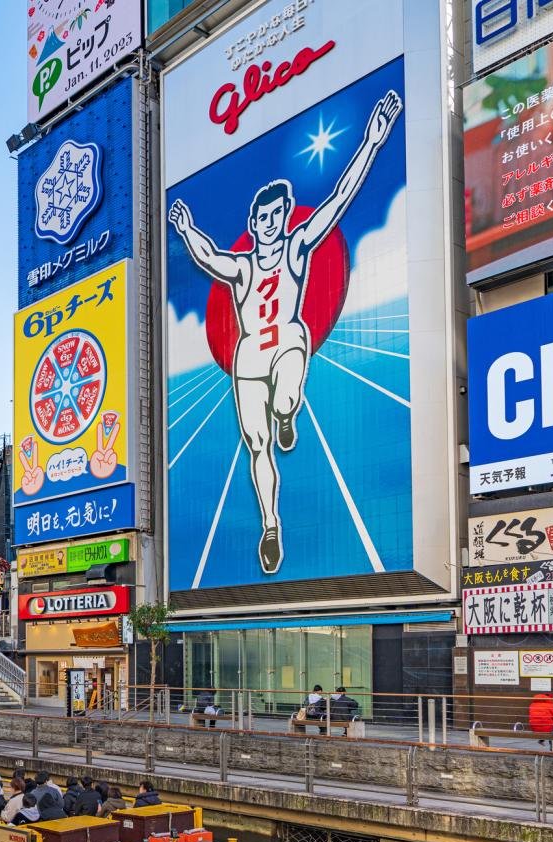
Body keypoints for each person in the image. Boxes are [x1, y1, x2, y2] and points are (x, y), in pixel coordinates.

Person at [168, 89, 403, 574]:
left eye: (279, 215)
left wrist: (372, 144)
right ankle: (271, 524)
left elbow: (339, 201)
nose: (272, 224)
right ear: (253, 224)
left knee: (286, 381)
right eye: (264, 218)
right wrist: (188, 230)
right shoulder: (241, 267)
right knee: (257, 443)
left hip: (289, 340)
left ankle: (288, 410)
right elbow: (209, 256)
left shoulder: (298, 247)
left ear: (283, 216)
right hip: (249, 359)